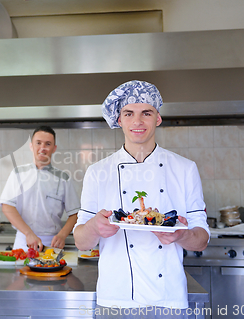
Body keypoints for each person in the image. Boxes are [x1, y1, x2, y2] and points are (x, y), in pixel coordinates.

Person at [73, 80, 210, 318]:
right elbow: (81, 242)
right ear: (119, 120)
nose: (137, 122)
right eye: (129, 113)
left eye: (146, 113)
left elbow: (202, 241)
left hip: (169, 300)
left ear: (157, 118)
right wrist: (94, 227)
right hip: (115, 299)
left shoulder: (185, 169)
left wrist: (182, 235)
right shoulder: (97, 172)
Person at [0, 126, 80, 251]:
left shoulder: (63, 178)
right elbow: (7, 206)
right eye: (38, 143)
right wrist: (28, 233)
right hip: (24, 241)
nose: (43, 148)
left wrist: (62, 235)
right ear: (31, 146)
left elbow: (75, 213)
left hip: (52, 244)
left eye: (48, 144)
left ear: (54, 148)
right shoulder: (18, 173)